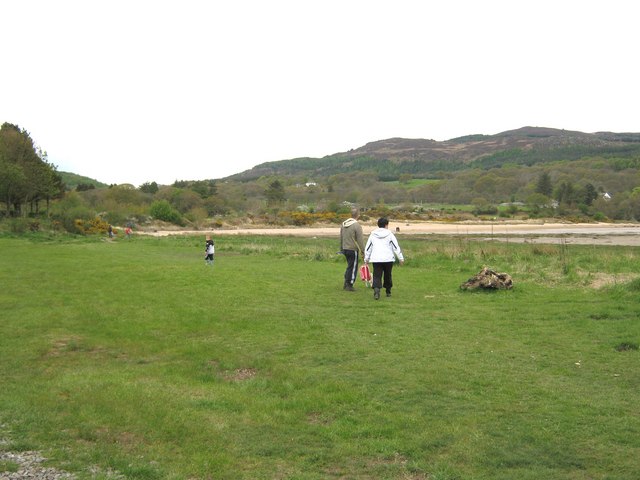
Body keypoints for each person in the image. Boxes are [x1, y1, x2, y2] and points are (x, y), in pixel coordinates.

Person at [364, 217, 404, 300]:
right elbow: (395, 247)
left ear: (378, 225)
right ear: (386, 225)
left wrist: (366, 258)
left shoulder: (373, 234)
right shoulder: (390, 234)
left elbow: (368, 247)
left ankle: (376, 289)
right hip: (388, 258)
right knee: (388, 275)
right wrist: (400, 258)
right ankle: (388, 291)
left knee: (377, 275)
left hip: (376, 258)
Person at [340, 207, 366, 291]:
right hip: (352, 249)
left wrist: (341, 248)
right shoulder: (356, 225)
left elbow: (341, 237)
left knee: (349, 266)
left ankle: (346, 282)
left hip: (345, 248)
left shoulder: (343, 223)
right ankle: (349, 284)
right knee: (353, 267)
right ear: (358, 215)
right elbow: (360, 240)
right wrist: (363, 251)